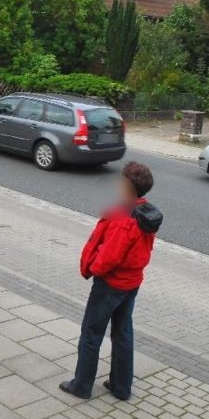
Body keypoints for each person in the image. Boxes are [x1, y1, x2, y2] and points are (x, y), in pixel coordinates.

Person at [60, 161, 163, 400]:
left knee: (91, 333)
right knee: (123, 332)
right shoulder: (145, 214)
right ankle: (121, 387)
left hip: (110, 284)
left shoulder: (123, 219)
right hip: (132, 283)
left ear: (127, 186)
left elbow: (109, 257)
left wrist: (95, 268)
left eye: (121, 180)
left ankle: (82, 385)